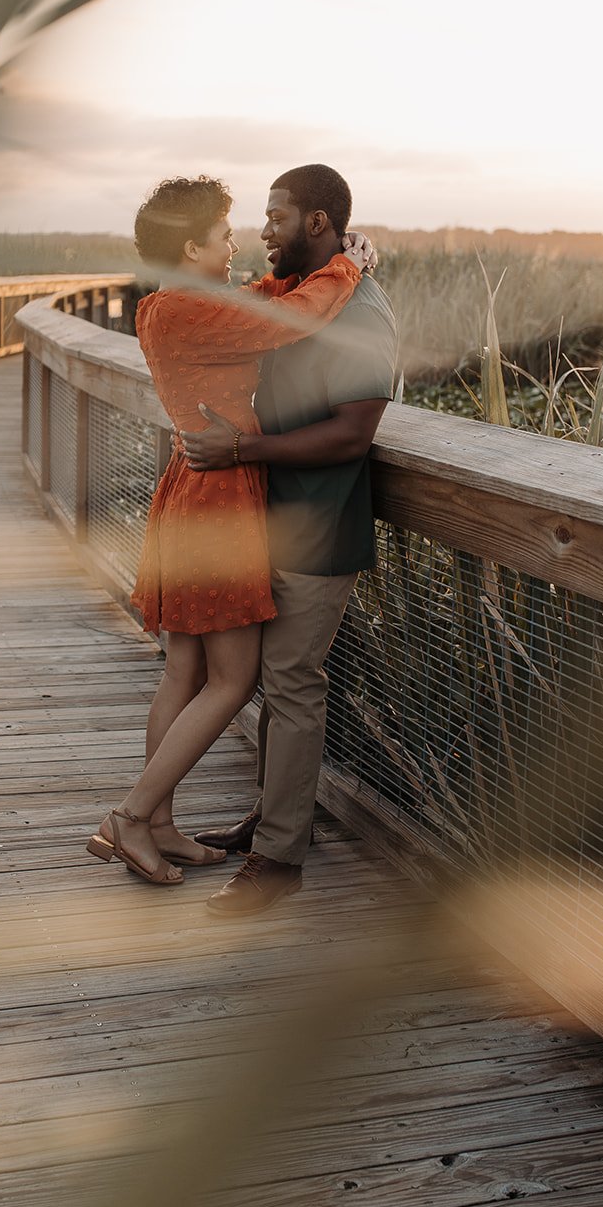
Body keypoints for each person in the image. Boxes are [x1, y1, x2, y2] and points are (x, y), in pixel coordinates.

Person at [86, 175, 374, 887]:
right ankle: (130, 816)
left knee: (183, 670)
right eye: (223, 236)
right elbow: (296, 317)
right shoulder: (189, 311)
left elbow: (263, 301)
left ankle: (158, 826)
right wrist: (350, 267)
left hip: (189, 494)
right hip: (217, 503)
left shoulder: (170, 306)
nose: (236, 245)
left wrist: (311, 276)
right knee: (233, 677)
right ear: (191, 246)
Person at [182, 164, 397, 917]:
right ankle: (274, 818)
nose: (262, 230)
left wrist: (238, 454)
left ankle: (278, 861)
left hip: (318, 526)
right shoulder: (296, 295)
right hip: (266, 518)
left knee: (294, 683)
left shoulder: (362, 313)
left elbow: (350, 433)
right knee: (276, 682)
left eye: (274, 216)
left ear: (316, 223)